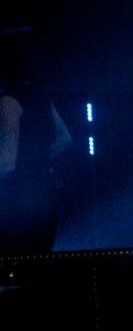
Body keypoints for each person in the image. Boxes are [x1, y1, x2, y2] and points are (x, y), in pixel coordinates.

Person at [0, 38, 71, 254]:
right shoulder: (40, 97)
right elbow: (65, 139)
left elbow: (7, 162)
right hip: (47, 198)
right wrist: (38, 162)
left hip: (19, 204)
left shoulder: (8, 101)